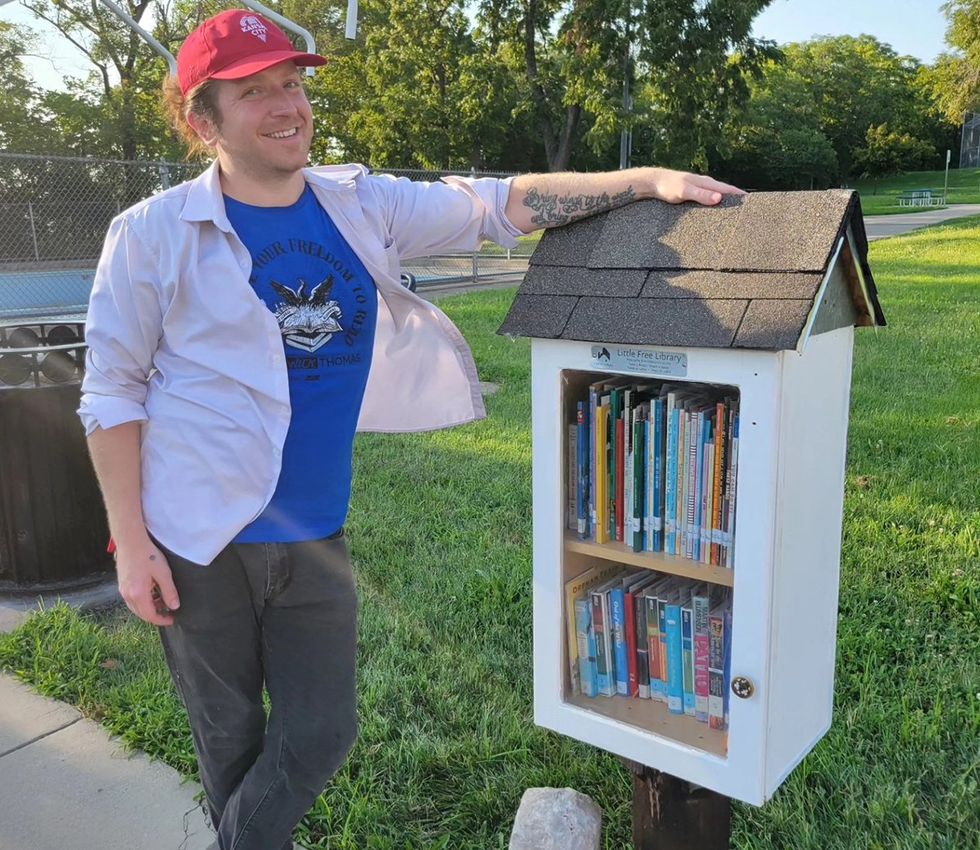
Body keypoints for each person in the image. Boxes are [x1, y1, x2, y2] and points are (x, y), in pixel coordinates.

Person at [78, 9, 742, 849]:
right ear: (202, 120)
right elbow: (111, 393)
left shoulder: (360, 205)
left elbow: (501, 205)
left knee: (322, 731)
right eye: (255, 92)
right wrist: (131, 545)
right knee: (229, 742)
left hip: (316, 532)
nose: (289, 105)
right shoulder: (149, 235)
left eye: (292, 83)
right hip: (196, 539)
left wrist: (645, 180)